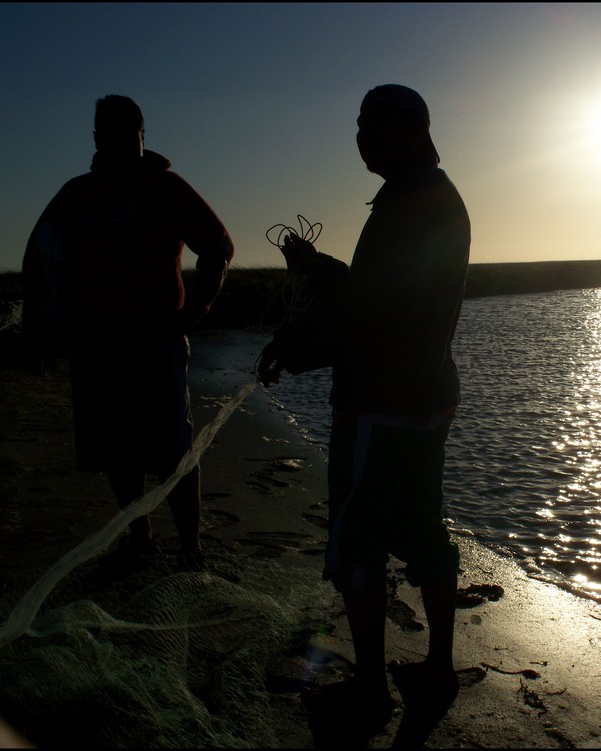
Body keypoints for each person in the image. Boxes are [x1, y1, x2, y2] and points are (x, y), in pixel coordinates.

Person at [258, 84, 470, 736]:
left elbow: (377, 318)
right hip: (426, 398)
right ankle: (438, 665)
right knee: (422, 528)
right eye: (357, 127)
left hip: (380, 406)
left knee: (357, 544)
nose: (359, 139)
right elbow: (382, 298)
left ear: (409, 131)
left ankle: (371, 685)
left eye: (369, 128)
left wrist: (296, 343)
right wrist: (322, 269)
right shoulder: (428, 197)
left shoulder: (412, 205)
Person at [21, 95, 234, 571]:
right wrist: (37, 329)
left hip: (157, 340)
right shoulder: (76, 194)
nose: (118, 145)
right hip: (93, 342)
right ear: (96, 139)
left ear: (143, 135)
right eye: (108, 136)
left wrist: (193, 312)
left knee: (172, 449)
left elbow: (217, 247)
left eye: (128, 136)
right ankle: (139, 535)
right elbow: (38, 259)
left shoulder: (167, 188)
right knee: (114, 445)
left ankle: (190, 545)